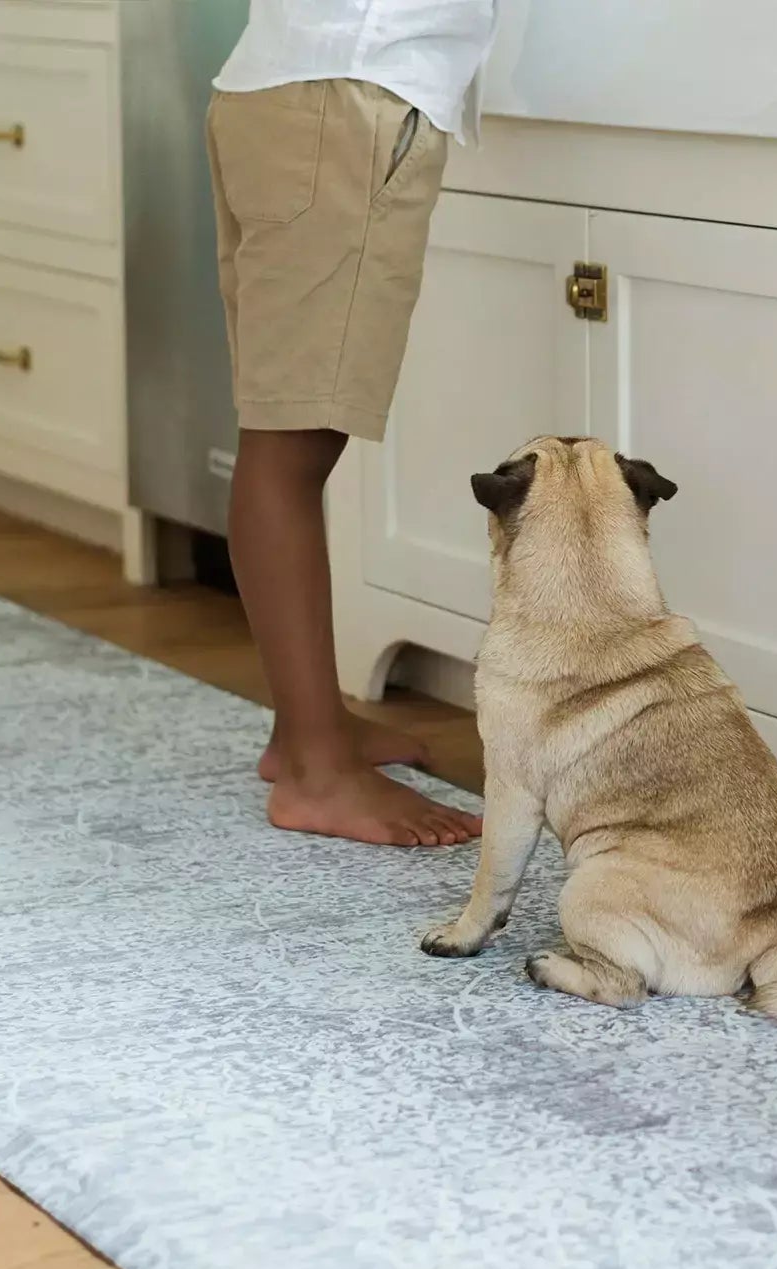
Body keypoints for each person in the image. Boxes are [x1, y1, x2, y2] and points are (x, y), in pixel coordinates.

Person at [206, 0, 496, 847]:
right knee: (290, 449)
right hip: (345, 102)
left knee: (283, 436)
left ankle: (306, 729)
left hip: (282, 89)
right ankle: (316, 771)